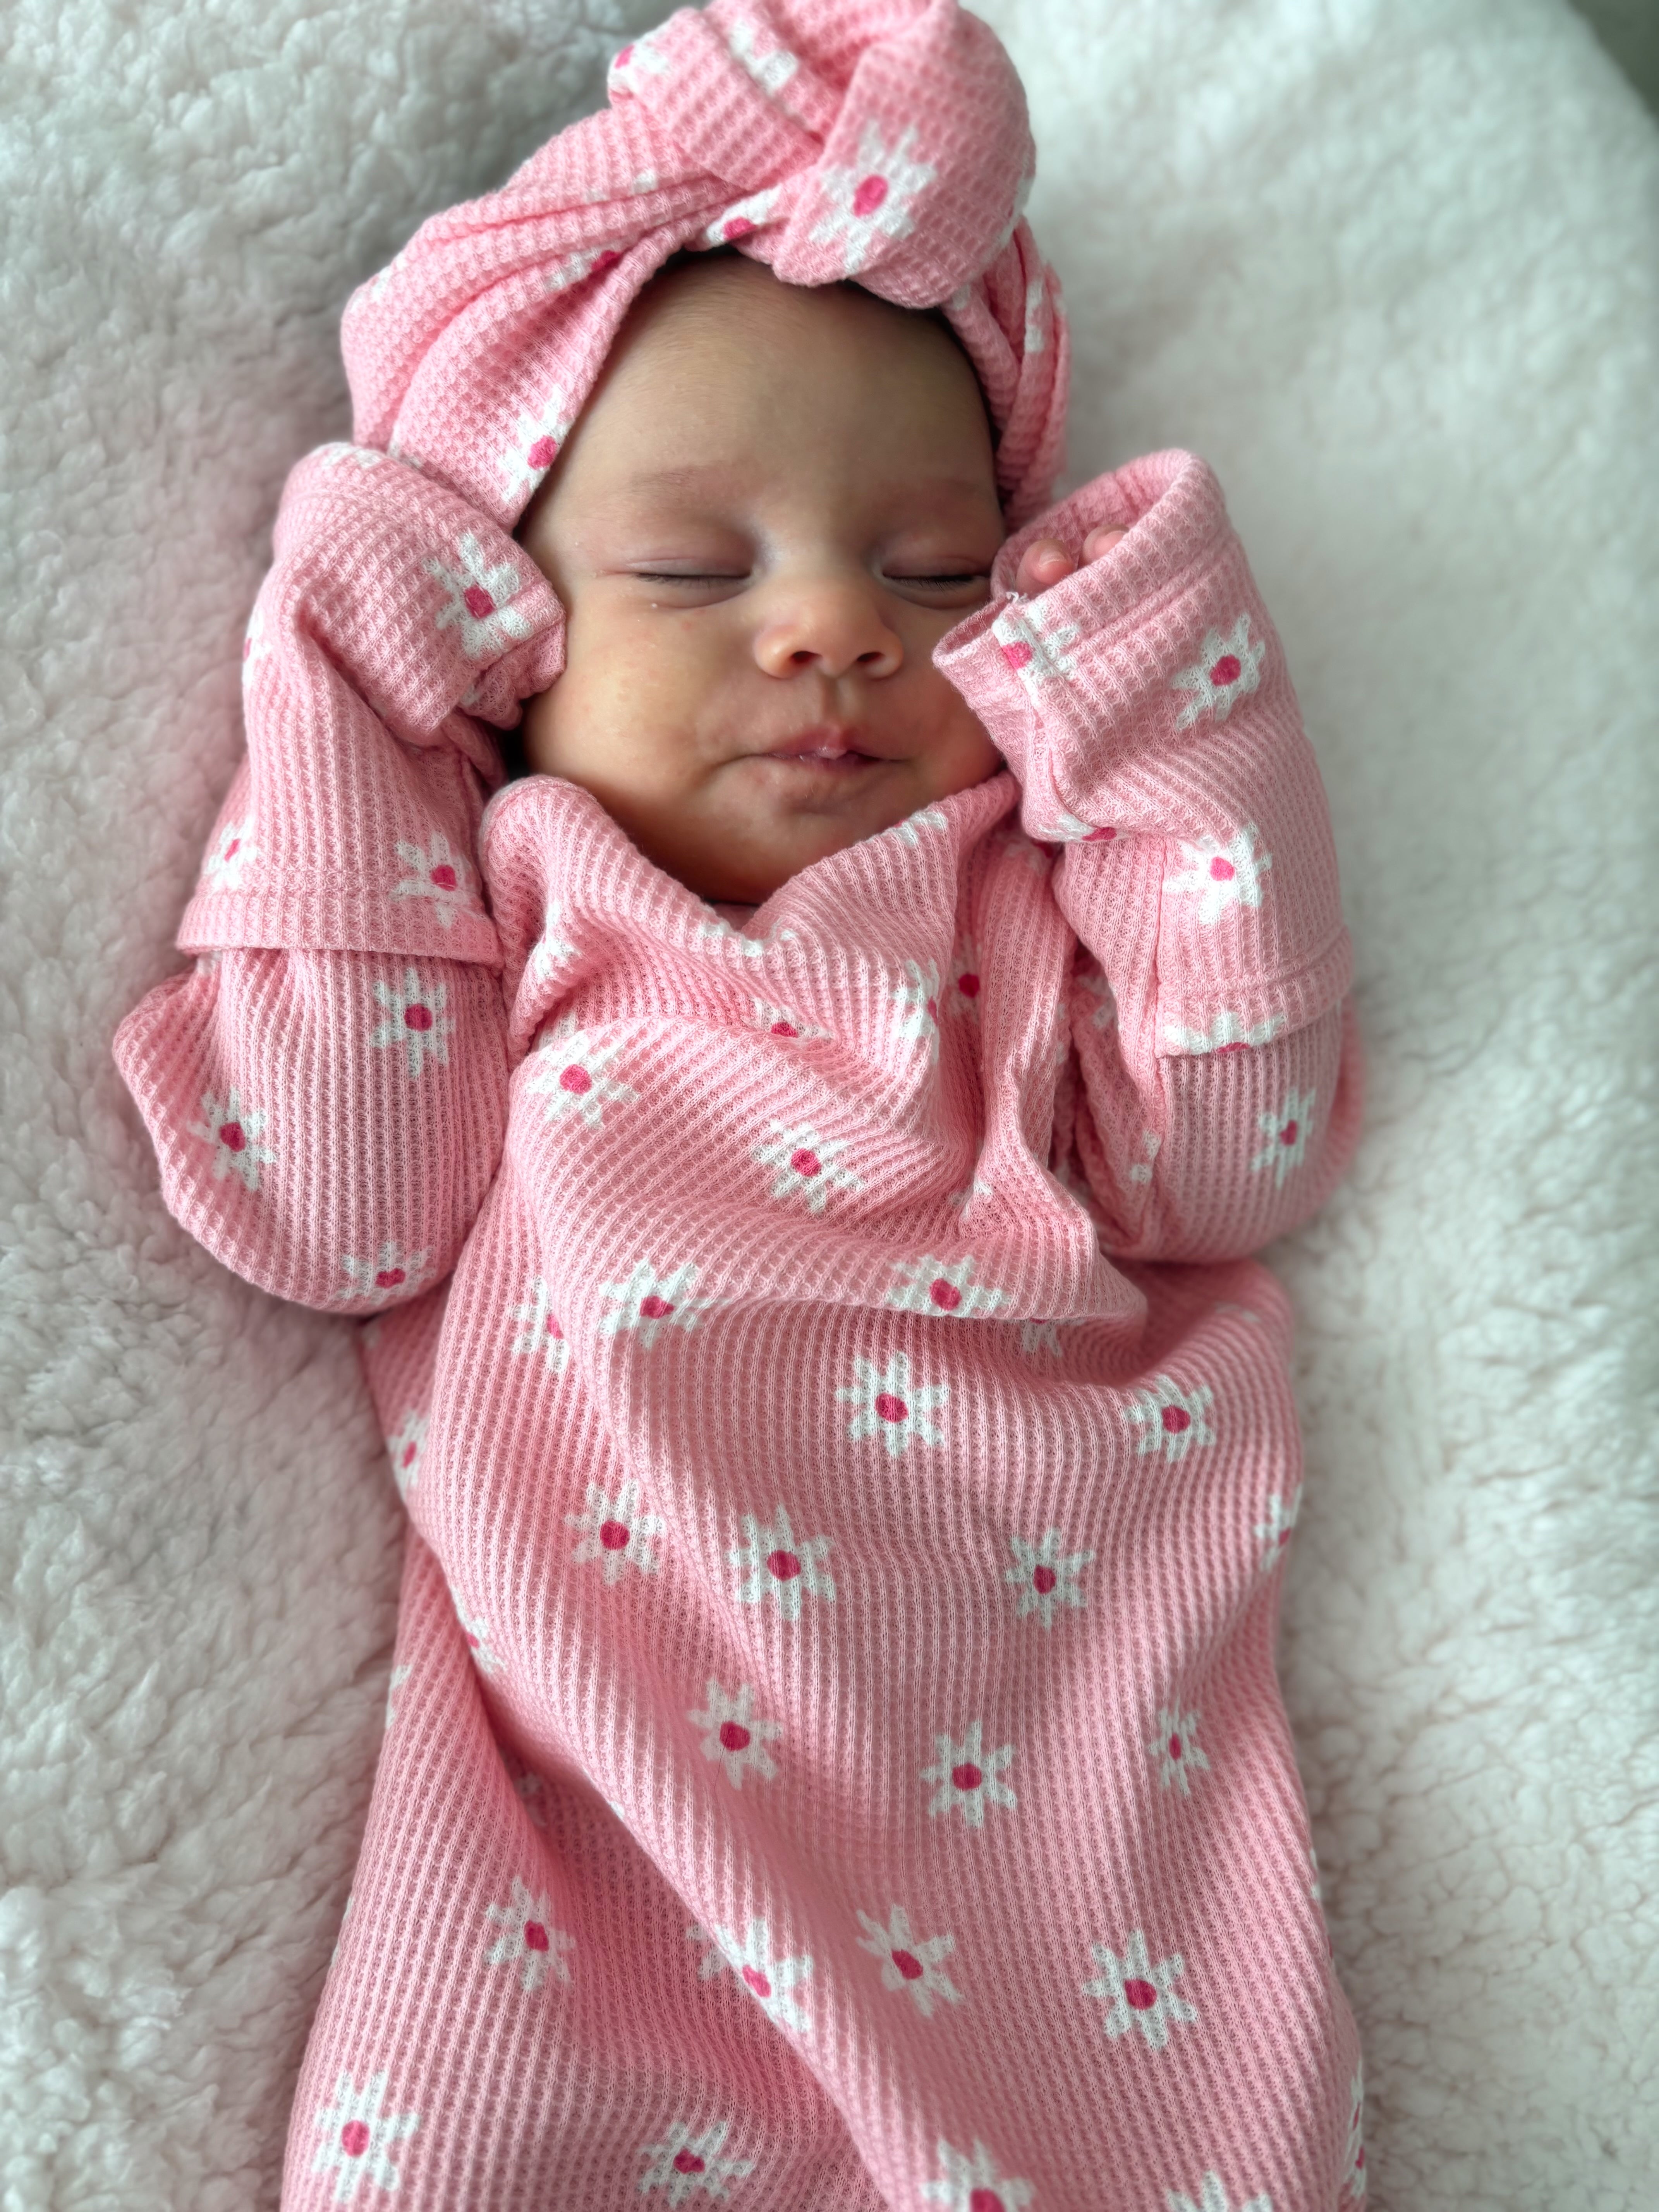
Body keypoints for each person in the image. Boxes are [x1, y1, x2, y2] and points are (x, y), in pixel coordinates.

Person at [114, 4, 1367, 2204]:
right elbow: (333, 1206)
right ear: (506, 642)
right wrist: (345, 675)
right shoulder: (507, 914)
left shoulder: (1007, 916)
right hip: (600, 1852)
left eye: (935, 574)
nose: (826, 634)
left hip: (1055, 1799)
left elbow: (1228, 1160)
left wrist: (1172, 735)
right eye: (697, 574)